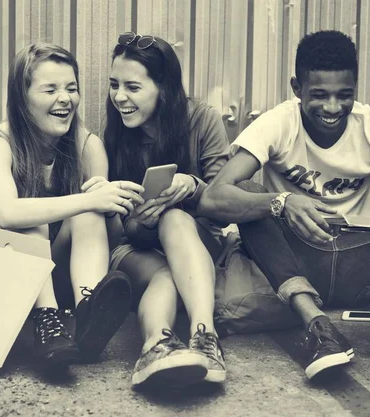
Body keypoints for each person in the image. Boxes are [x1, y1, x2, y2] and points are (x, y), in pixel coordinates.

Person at [199, 30, 370, 380]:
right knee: (249, 191)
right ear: (296, 88)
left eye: (344, 95)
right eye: (319, 95)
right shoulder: (278, 122)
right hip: (292, 259)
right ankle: (318, 327)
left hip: (354, 262)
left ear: (356, 89)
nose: (333, 107)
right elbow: (213, 196)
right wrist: (282, 202)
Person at [0, 42, 145, 370]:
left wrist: (109, 207)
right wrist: (88, 198)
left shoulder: (88, 145)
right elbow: (7, 213)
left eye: (71, 88)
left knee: (88, 210)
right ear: (22, 98)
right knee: (30, 215)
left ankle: (89, 309)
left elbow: (111, 235)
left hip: (58, 270)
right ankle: (47, 321)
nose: (65, 98)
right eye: (50, 89)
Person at [90, 32, 230, 389]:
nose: (120, 97)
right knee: (165, 271)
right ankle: (157, 345)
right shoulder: (115, 135)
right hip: (137, 252)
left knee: (175, 216)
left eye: (133, 87)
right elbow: (120, 233)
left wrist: (193, 187)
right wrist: (137, 221)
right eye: (114, 84)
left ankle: (205, 338)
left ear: (164, 89)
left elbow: (226, 204)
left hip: (198, 243)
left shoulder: (202, 120)